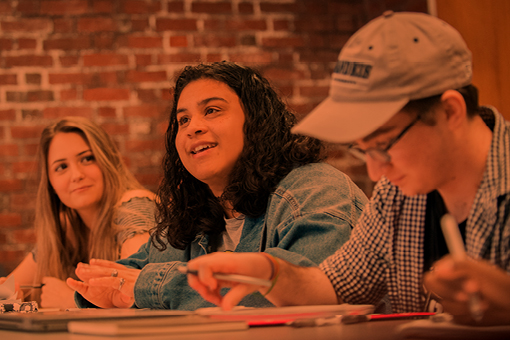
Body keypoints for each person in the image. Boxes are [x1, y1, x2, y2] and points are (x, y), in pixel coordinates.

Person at [183, 11, 510, 326]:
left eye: (384, 145)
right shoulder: (396, 195)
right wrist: (270, 271)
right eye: (362, 149)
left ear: (451, 111)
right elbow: (335, 289)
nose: (375, 172)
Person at [66, 61, 368, 311]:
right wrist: (94, 290)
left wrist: (146, 286)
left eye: (211, 110)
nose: (193, 127)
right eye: (182, 120)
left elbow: (302, 297)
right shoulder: (195, 214)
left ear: (256, 122)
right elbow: (128, 277)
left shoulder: (315, 190)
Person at [0, 117, 156, 309]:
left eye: (87, 159)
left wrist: (72, 299)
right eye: (61, 167)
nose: (76, 175)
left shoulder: (134, 205)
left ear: (108, 160)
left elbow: (146, 294)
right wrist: (10, 295)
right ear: (51, 184)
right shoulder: (67, 228)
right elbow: (7, 289)